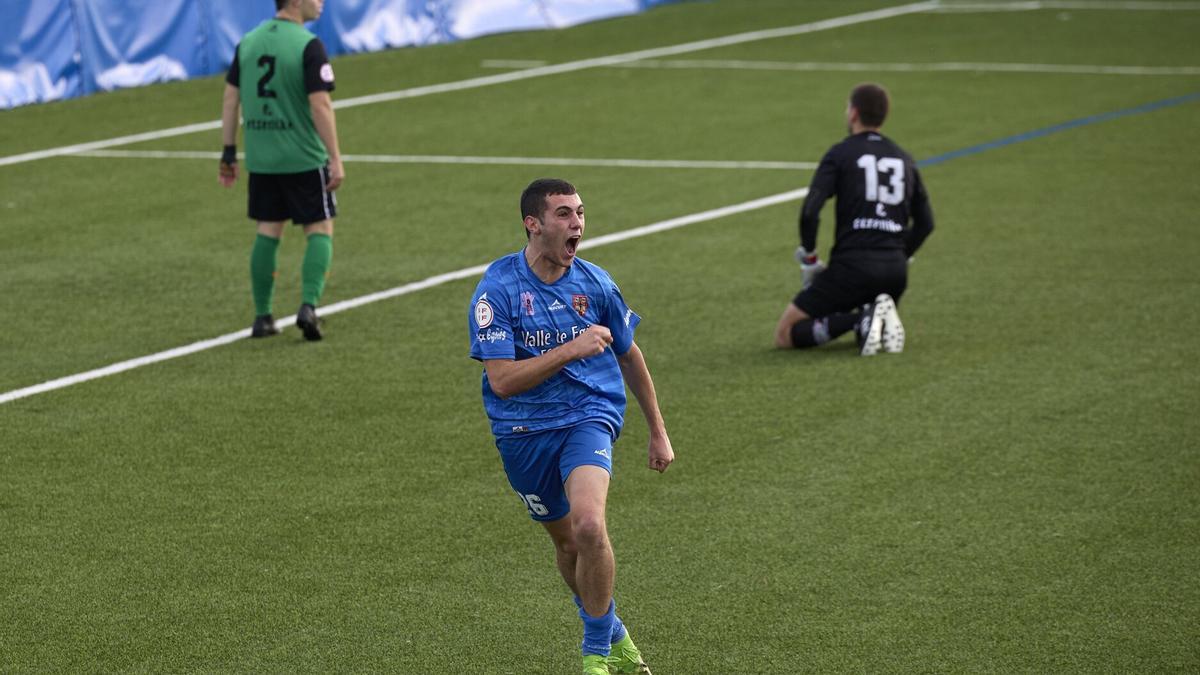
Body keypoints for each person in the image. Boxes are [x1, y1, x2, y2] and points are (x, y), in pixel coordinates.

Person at [468, 178, 674, 675]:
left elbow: (630, 354)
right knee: (565, 544)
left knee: (588, 525)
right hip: (521, 433)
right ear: (532, 224)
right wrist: (570, 349)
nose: (577, 223)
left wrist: (657, 429)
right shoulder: (497, 290)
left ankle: (595, 656)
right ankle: (615, 633)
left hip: (589, 415)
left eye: (580, 213)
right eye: (564, 214)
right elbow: (501, 381)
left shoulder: (597, 284)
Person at [774, 82, 934, 355]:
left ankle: (860, 319)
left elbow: (811, 210)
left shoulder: (840, 153)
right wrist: (898, 253)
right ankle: (873, 318)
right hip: (895, 273)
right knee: (862, 308)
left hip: (852, 269)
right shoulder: (904, 158)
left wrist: (810, 258)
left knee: (787, 333)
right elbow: (926, 223)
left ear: (854, 113)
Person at [219, 0, 344, 341]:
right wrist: (334, 156)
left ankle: (262, 317)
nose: (320, 2)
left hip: (262, 159)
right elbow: (320, 104)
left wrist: (229, 152)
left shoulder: (248, 42)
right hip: (303, 157)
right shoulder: (308, 45)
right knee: (319, 227)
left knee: (267, 230)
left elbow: (231, 100)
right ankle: (309, 307)